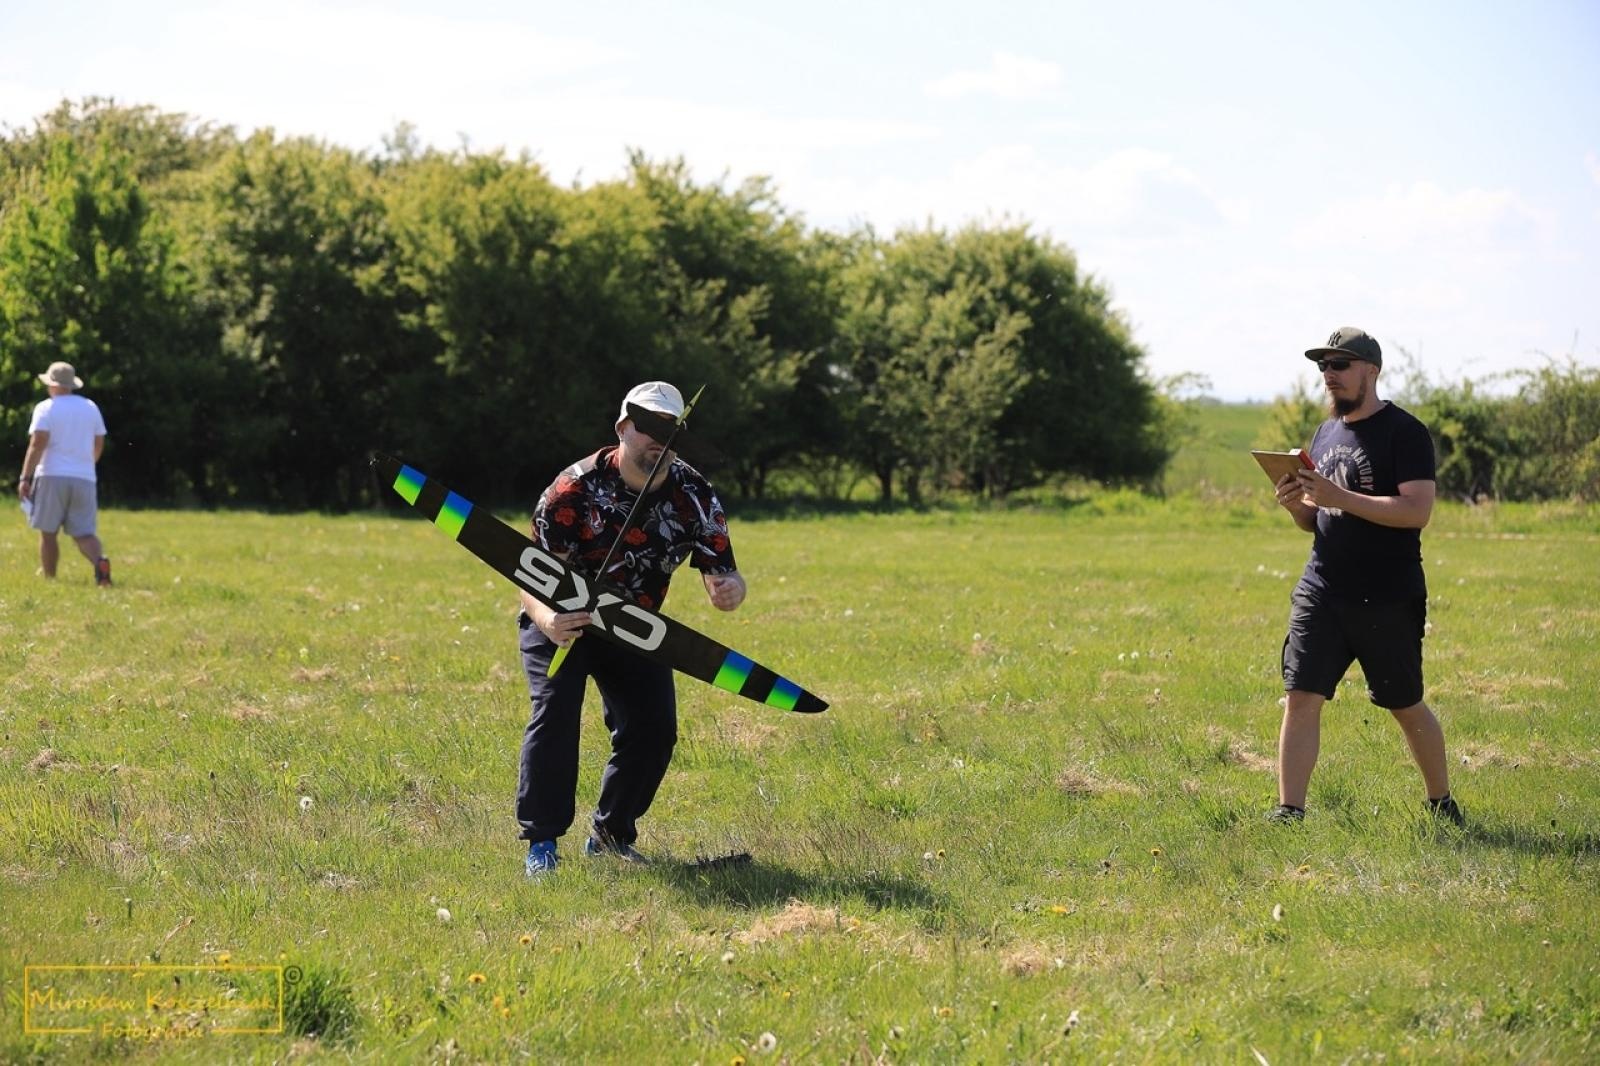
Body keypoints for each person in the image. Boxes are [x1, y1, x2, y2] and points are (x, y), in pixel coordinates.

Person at [515, 381, 746, 876]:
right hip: (564, 618)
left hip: (632, 625)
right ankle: (542, 843)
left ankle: (611, 834)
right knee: (555, 710)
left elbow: (722, 575)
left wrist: (729, 591)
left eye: (672, 429)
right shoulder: (571, 490)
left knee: (653, 729)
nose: (659, 441)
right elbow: (530, 580)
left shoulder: (695, 496)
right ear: (624, 429)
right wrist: (548, 619)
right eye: (650, 427)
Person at [1269, 327, 1462, 826]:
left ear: (1370, 371)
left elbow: (1416, 510)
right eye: (1323, 367)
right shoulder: (1325, 432)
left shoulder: (1405, 432)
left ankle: (1441, 804)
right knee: (1301, 693)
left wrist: (1340, 498)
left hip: (1386, 595)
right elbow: (1320, 517)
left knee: (1404, 703)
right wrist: (1298, 508)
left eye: (1340, 365)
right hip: (1322, 587)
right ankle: (1290, 811)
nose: (1329, 376)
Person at [18, 361, 112, 587]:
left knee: (48, 532)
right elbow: (98, 442)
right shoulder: (91, 407)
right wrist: (88, 463)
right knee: (84, 533)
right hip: (85, 477)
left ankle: (50, 578)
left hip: (52, 475)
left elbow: (37, 444)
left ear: (51, 384)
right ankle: (100, 563)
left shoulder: (46, 408)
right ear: (71, 385)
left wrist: (25, 477)